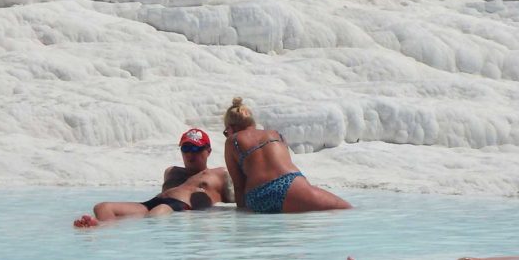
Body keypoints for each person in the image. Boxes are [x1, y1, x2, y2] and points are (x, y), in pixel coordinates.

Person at [73, 128, 233, 227]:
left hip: (179, 207)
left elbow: (238, 196)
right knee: (103, 207)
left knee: (159, 211)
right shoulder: (172, 172)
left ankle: (99, 228)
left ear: (209, 151)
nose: (190, 153)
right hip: (153, 203)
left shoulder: (219, 174)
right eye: (186, 148)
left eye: (196, 148)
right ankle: (101, 228)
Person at [223, 97, 351, 214]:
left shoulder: (232, 141)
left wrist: (241, 215)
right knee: (346, 209)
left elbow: (239, 186)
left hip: (257, 197)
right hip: (288, 184)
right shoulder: (274, 134)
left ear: (230, 128)